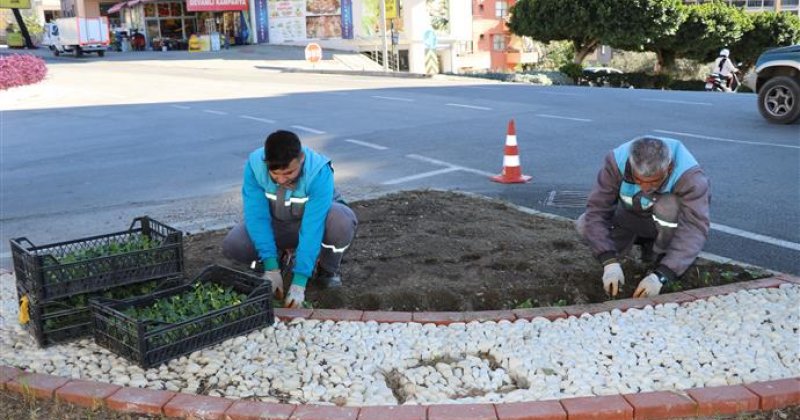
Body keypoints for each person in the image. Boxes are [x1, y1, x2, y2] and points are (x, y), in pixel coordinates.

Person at [223, 130, 358, 308]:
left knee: (341, 221)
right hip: (278, 223)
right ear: (266, 162)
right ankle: (279, 261)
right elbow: (257, 216)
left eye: (288, 173)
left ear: (301, 158)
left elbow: (313, 227)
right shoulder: (255, 166)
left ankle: (326, 269)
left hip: (314, 223)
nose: (280, 180)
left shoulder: (318, 172)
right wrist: (271, 267)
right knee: (234, 243)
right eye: (275, 173)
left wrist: (299, 282)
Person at [576, 136, 710, 298]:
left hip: (664, 226)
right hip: (629, 217)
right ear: (631, 166)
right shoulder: (616, 161)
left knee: (668, 206)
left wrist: (662, 275)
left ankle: (659, 257)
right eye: (638, 180)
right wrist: (609, 261)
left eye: (654, 182)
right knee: (584, 224)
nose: (645, 188)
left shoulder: (691, 178)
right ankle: (620, 256)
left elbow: (694, 229)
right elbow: (597, 210)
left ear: (668, 168)